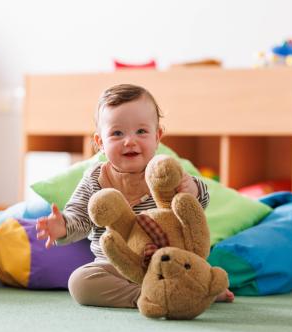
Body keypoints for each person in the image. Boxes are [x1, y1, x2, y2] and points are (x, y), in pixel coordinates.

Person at [36, 84, 235, 308]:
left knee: (198, 266)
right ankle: (148, 296)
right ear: (100, 142)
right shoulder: (95, 179)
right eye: (117, 133)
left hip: (170, 264)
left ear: (157, 136)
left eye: (141, 131)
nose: (129, 141)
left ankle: (193, 287)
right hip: (118, 267)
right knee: (80, 283)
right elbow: (79, 217)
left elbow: (196, 205)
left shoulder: (164, 172)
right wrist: (62, 225)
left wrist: (193, 189)